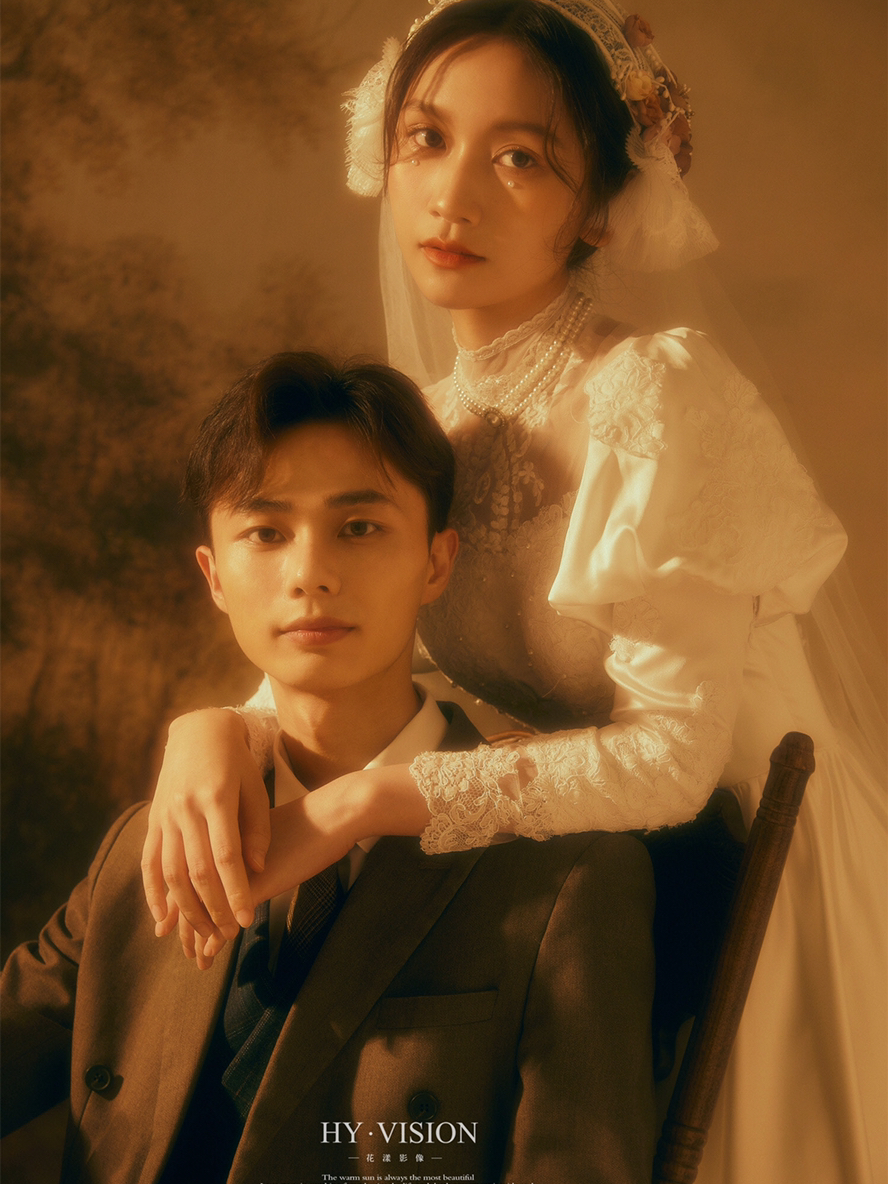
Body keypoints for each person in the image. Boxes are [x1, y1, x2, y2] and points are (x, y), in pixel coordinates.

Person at [140, 4, 888, 1184]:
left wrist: (366, 802)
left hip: (740, 885)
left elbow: (673, 761)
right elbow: (339, 638)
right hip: (579, 890)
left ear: (598, 208)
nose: (453, 195)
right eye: (428, 140)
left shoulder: (655, 398)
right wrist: (214, 728)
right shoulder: (428, 428)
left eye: (521, 158)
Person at [0, 351, 657, 1184]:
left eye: (359, 527)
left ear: (436, 562)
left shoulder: (565, 878)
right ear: (213, 576)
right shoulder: (146, 848)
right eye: (266, 533)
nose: (310, 574)